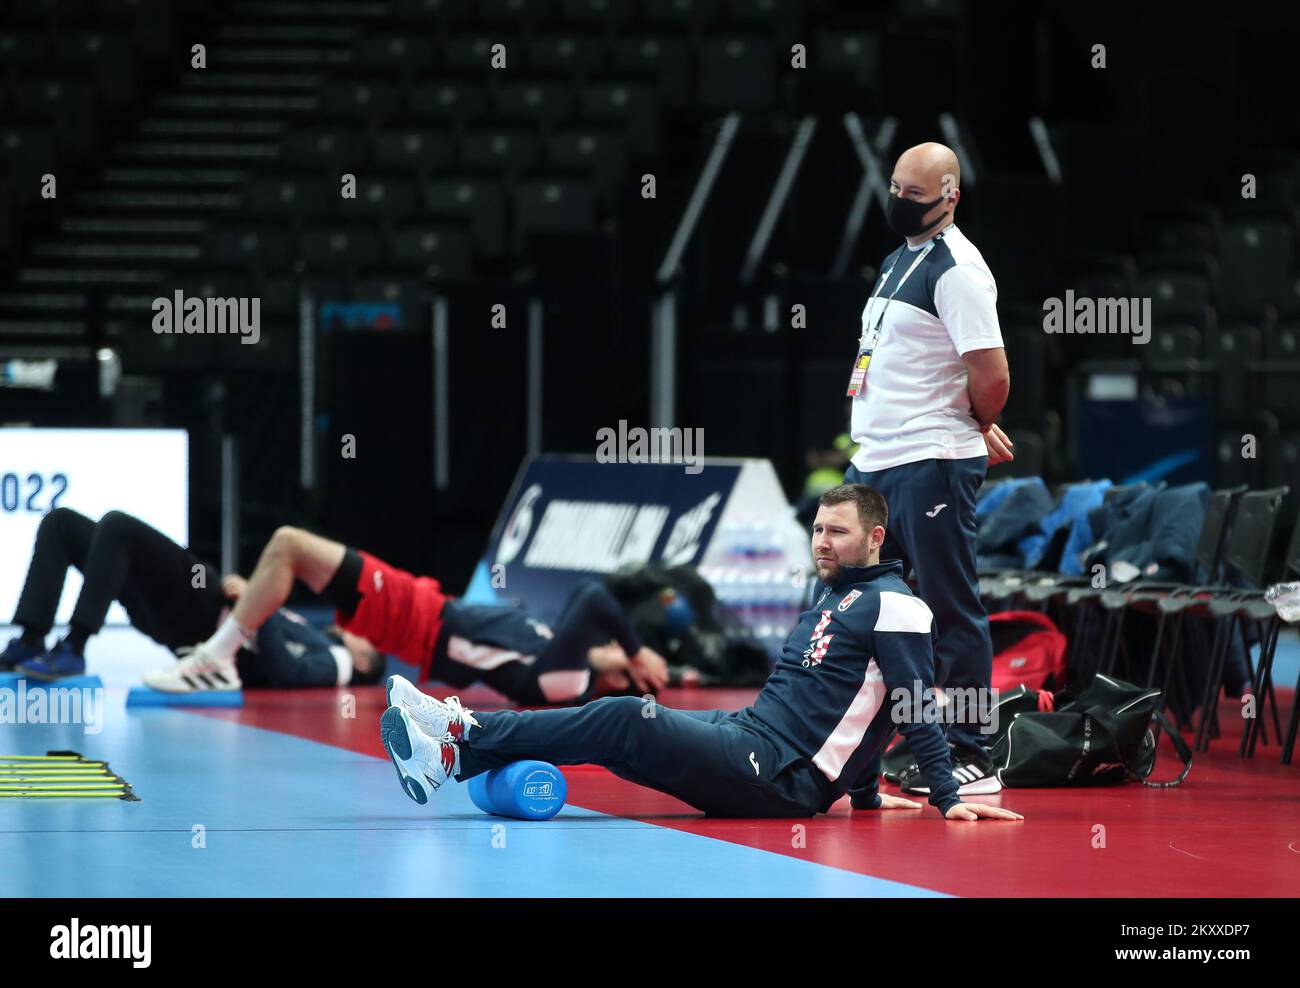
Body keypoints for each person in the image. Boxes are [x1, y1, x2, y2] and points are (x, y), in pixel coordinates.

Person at [377, 484, 1024, 823]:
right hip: (749, 735)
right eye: (818, 529)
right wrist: (867, 798)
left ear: (875, 537)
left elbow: (907, 704)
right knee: (627, 725)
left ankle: (462, 727)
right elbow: (850, 707)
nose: (821, 541)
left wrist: (944, 795)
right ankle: (451, 758)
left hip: (778, 779)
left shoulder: (898, 606)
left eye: (838, 531)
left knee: (626, 717)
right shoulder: (829, 601)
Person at [841, 141, 1015, 796]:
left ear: (950, 195)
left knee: (948, 609)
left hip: (930, 461)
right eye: (894, 189)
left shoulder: (958, 271)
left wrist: (970, 421)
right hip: (879, 461)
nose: (899, 202)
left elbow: (992, 375)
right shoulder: (896, 260)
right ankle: (868, 750)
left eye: (914, 195)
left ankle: (976, 756)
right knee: (870, 609)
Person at [158, 525, 669, 703]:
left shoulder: (563, 685)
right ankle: (218, 653)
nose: (604, 644)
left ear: (622, 678)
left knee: (288, 545)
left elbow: (594, 599)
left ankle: (215, 658)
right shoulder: (561, 663)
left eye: (616, 654)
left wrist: (636, 648)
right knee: (288, 552)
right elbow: (590, 605)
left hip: (418, 621)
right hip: (421, 610)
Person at [0, 507, 385, 689]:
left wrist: (255, 606)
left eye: (363, 636)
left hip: (201, 614)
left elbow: (286, 672)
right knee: (62, 523)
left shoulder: (338, 663)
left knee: (117, 526)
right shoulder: (320, 635)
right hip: (181, 615)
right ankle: (31, 638)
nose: (355, 627)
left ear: (364, 659)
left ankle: (75, 645)